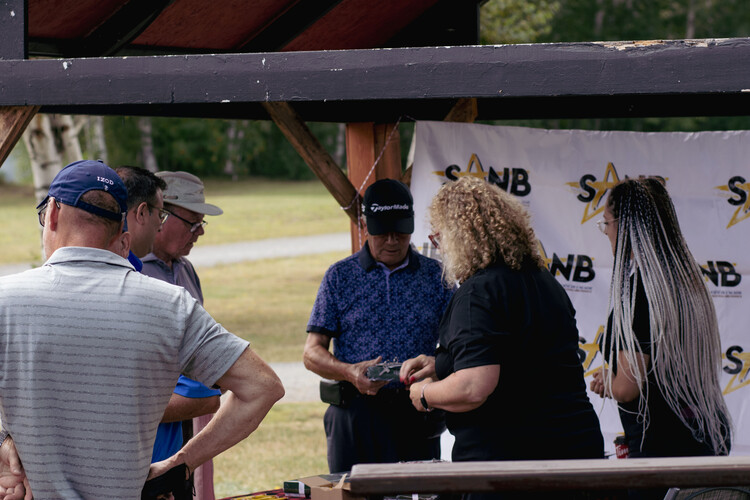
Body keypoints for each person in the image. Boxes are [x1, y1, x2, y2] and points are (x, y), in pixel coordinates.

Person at [0, 160, 284, 499]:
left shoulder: (5, 299)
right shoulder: (171, 306)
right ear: (123, 230)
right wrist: (180, 462)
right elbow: (262, 387)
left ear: (55, 213)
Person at [400, 177, 604, 497]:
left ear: (460, 236)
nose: (437, 246)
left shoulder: (478, 291)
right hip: (574, 454)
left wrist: (426, 393)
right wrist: (444, 363)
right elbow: (519, 357)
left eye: (439, 237)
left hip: (511, 467)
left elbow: (474, 386)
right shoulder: (543, 282)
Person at [590, 178, 731, 498]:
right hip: (702, 441)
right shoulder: (687, 284)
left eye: (607, 224)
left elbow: (627, 387)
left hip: (663, 455)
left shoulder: (642, 293)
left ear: (625, 227)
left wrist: (606, 382)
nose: (606, 233)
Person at [304, 178, 454, 474]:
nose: (392, 240)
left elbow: (458, 344)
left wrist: (437, 365)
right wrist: (349, 371)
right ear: (365, 225)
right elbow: (311, 353)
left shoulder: (437, 276)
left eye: (400, 231)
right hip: (355, 412)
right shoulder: (339, 277)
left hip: (417, 409)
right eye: (382, 231)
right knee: (351, 493)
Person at [116, 166, 222, 491]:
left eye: (202, 223)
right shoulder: (128, 272)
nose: (200, 232)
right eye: (193, 221)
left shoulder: (186, 270)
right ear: (156, 215)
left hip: (186, 423)